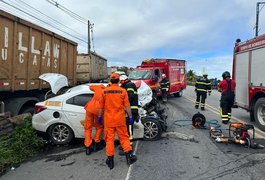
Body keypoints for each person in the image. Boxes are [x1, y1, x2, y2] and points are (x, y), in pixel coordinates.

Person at [98, 73, 137, 170]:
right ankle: (129, 157)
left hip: (108, 120)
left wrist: (99, 117)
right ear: (119, 81)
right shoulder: (123, 91)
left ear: (110, 80)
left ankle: (110, 161)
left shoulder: (104, 92)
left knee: (109, 140)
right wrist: (130, 116)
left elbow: (100, 107)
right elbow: (127, 106)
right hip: (120, 120)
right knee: (124, 138)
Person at [119, 75, 139, 154]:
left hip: (131, 110)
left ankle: (129, 148)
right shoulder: (128, 85)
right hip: (130, 110)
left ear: (124, 80)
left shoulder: (129, 85)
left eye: (121, 81)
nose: (120, 83)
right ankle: (126, 145)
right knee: (127, 129)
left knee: (129, 129)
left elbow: (130, 96)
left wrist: (121, 102)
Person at [84, 84, 105, 155]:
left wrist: (99, 86)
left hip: (89, 109)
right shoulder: (107, 91)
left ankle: (88, 147)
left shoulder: (98, 87)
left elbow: (90, 87)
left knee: (88, 128)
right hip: (99, 111)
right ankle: (96, 143)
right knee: (99, 127)